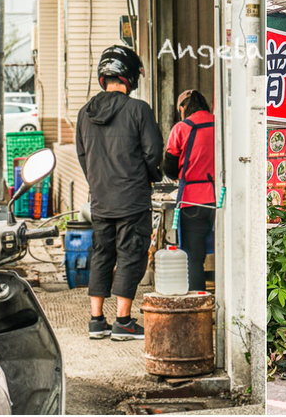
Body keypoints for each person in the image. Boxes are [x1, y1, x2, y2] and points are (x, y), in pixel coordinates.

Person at [76, 45, 163, 341]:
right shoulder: (139, 110)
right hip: (132, 199)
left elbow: (82, 156)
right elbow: (153, 153)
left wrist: (98, 182)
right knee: (130, 255)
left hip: (100, 200)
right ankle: (123, 322)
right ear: (129, 77)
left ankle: (96, 320)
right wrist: (151, 177)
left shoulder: (84, 113)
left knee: (101, 254)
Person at [163, 89, 216, 293]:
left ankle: (199, 300)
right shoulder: (220, 125)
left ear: (183, 108)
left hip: (192, 200)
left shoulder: (181, 128)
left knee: (194, 257)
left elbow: (169, 167)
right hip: (220, 198)